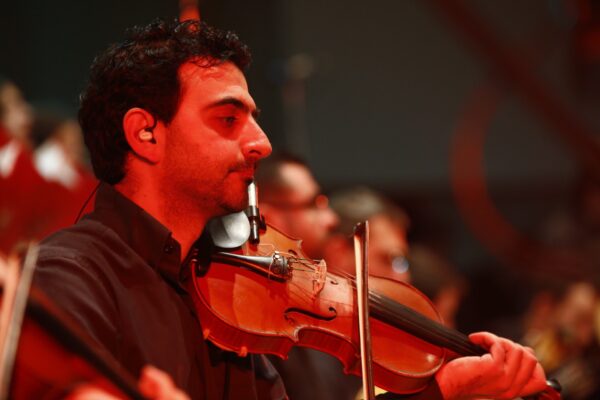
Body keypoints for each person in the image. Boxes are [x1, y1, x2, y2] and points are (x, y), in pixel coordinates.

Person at [29, 18, 547, 399]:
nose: (262, 143)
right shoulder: (70, 275)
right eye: (228, 119)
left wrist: (443, 391)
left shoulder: (227, 297)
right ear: (145, 132)